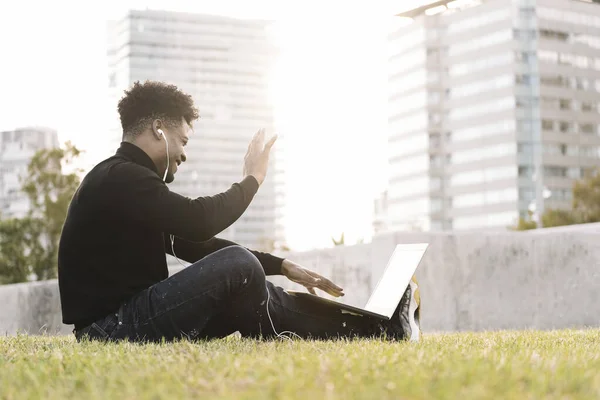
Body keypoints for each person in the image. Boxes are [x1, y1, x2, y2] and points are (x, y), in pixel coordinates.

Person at [57, 80, 421, 343]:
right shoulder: (119, 178)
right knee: (238, 265)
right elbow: (199, 221)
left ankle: (382, 329)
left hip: (128, 321)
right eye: (182, 141)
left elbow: (194, 245)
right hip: (111, 329)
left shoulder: (126, 184)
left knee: (249, 281)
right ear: (157, 130)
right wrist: (253, 179)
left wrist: (281, 266)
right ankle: (367, 330)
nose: (184, 154)